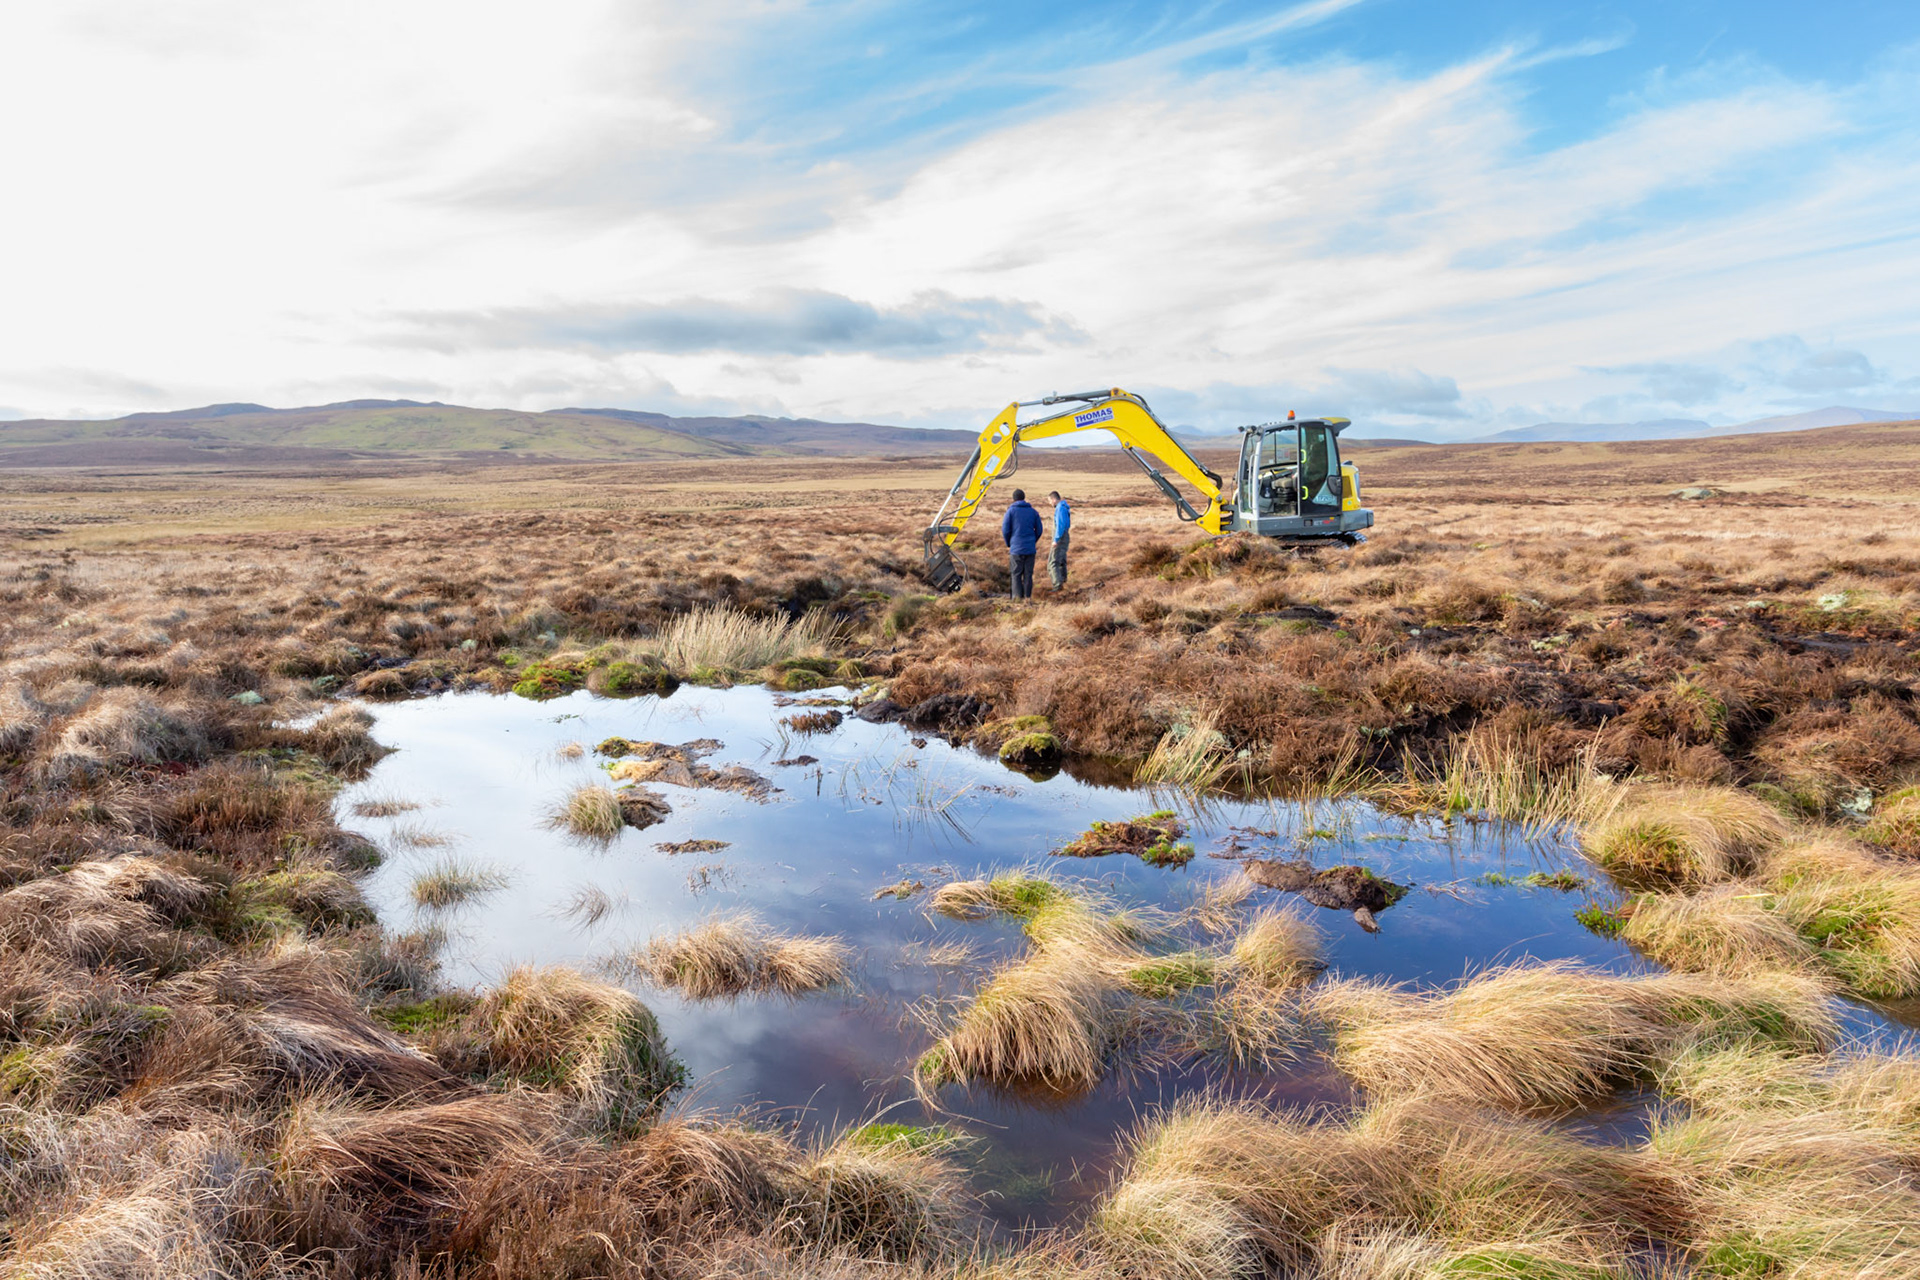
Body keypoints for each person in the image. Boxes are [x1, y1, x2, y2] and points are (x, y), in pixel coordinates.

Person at [1001, 488, 1042, 600]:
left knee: (1016, 574)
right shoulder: (1033, 512)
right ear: (1024, 498)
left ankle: (1017, 598)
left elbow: (1005, 529)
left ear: (1014, 499)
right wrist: (1033, 541)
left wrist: (1009, 543)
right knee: (1028, 574)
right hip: (1030, 549)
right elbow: (1039, 530)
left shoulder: (1010, 511)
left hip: (1016, 549)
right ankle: (1027, 598)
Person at [1048, 489, 1071, 589]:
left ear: (1053, 499)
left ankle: (1057, 585)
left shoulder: (1060, 508)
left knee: (1052, 562)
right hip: (1064, 536)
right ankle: (1063, 581)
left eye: (1049, 500)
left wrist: (1056, 540)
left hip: (1060, 538)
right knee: (1061, 560)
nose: (1049, 503)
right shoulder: (1064, 507)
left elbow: (1060, 526)